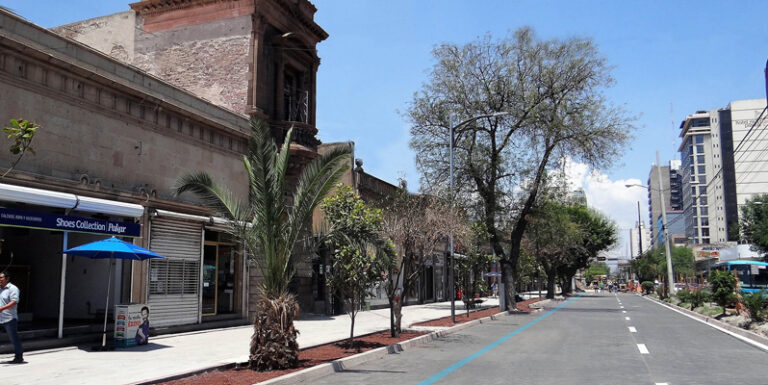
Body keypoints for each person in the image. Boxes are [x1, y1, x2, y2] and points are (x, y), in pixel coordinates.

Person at [0, 272, 23, 363]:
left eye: (1, 278)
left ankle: (19, 357)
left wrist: (2, 308)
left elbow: (14, 301)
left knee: (13, 338)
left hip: (9, 318)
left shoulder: (13, 289)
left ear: (7, 278)